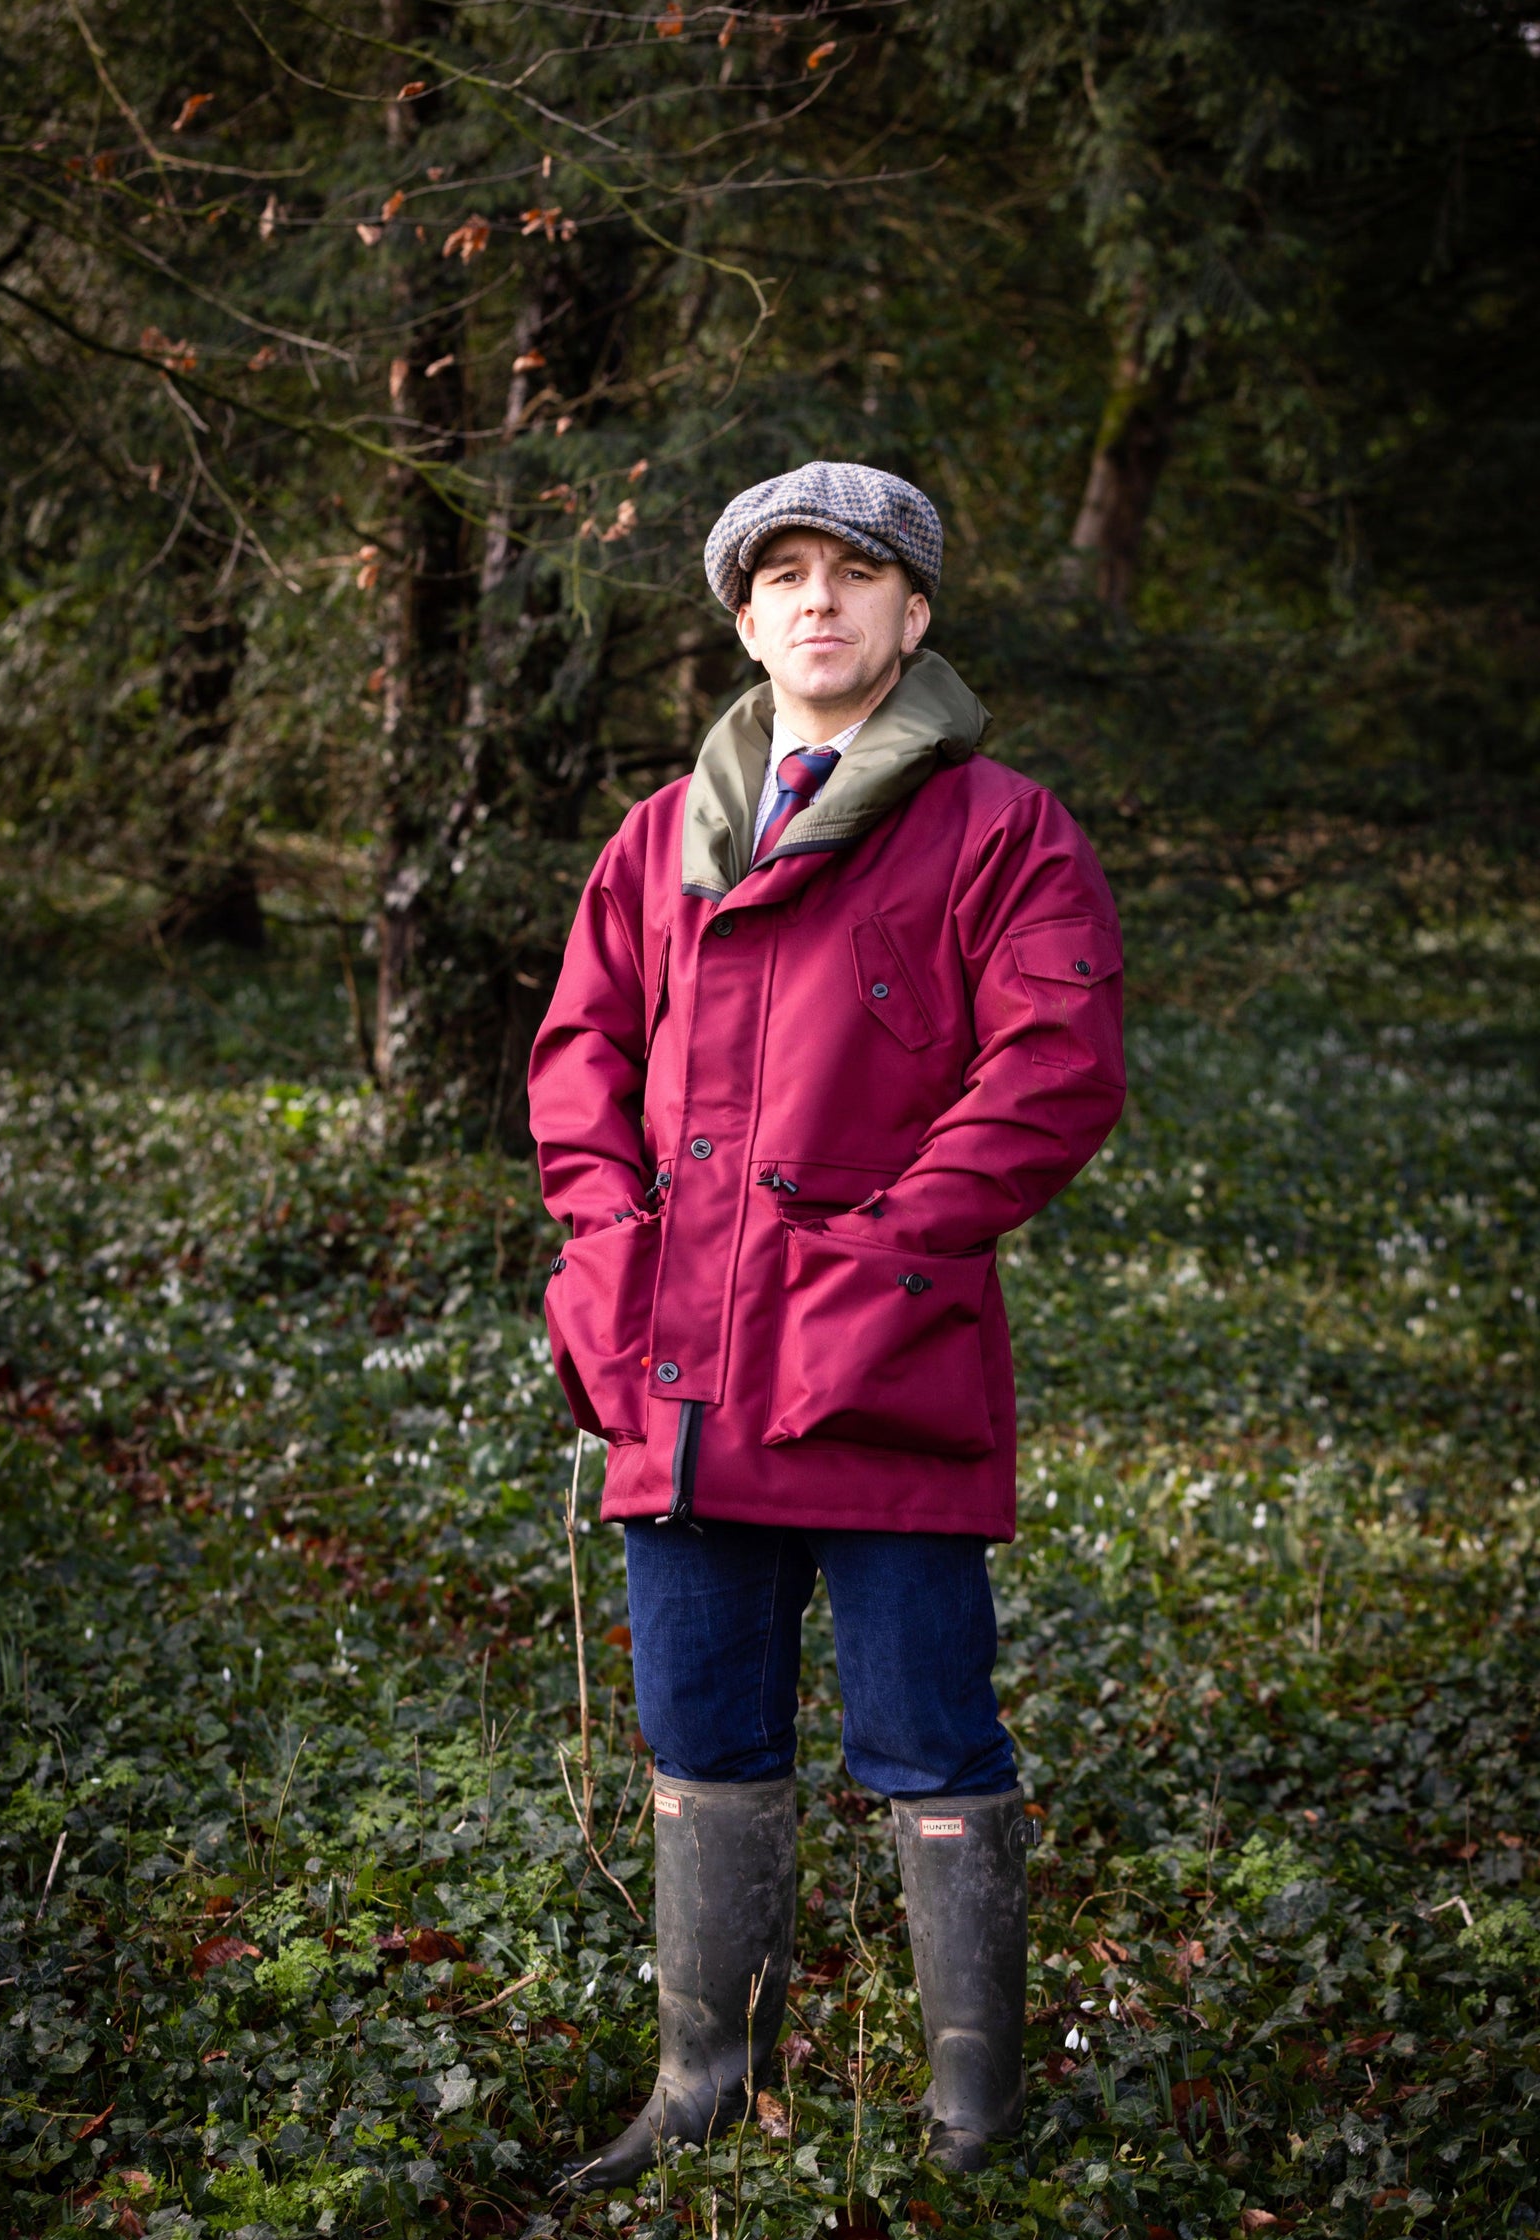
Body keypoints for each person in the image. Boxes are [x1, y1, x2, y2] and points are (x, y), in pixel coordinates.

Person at [528, 461, 1125, 2186]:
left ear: (912, 615)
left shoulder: (1002, 827)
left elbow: (1054, 1072)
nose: (817, 602)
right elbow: (578, 1063)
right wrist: (601, 1249)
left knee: (931, 1735)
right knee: (702, 1734)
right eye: (781, 576)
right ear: (742, 619)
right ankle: (705, 2087)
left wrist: (884, 1257)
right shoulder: (663, 836)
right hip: (682, 1380)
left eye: (854, 574)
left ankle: (971, 2123)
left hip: (879, 1369)